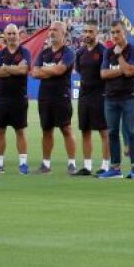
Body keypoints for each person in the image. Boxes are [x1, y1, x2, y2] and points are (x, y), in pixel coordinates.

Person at [31, 21, 78, 175]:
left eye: (55, 30)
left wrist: (45, 70)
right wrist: (50, 70)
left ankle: (72, 163)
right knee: (46, 130)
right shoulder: (44, 53)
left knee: (66, 128)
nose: (51, 33)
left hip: (61, 96)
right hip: (44, 96)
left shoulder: (68, 52)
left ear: (63, 33)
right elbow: (35, 72)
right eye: (50, 30)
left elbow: (60, 70)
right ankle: (45, 164)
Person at [98, 22, 134, 179]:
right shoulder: (107, 52)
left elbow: (130, 72)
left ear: (125, 33)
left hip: (128, 97)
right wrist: (121, 70)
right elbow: (103, 74)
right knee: (112, 133)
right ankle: (115, 168)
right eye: (112, 32)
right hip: (110, 97)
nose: (115, 35)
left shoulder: (133, 51)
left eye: (118, 32)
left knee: (132, 132)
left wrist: (119, 57)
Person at [0, 24, 31, 175]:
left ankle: (23, 163)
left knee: (20, 131)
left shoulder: (25, 52)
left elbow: (24, 70)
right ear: (5, 36)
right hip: (1, 98)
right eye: (9, 33)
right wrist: (13, 69)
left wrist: (5, 68)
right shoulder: (0, 54)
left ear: (18, 35)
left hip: (19, 98)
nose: (12, 36)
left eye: (14, 33)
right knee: (0, 131)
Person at [74, 23, 110, 177]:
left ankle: (106, 165)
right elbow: (79, 70)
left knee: (103, 131)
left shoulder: (103, 51)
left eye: (91, 31)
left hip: (100, 95)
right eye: (86, 31)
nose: (87, 34)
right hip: (84, 95)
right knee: (85, 130)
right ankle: (87, 166)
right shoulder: (80, 52)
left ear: (97, 33)